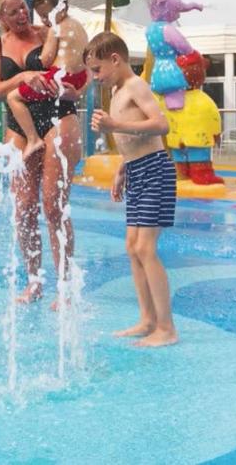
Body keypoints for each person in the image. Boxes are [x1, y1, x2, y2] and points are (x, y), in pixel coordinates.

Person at [0, 0, 85, 307]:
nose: (22, 15)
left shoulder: (47, 32)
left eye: (23, 7)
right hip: (21, 122)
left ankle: (65, 286)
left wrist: (77, 87)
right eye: (13, 11)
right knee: (24, 209)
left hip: (58, 117)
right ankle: (33, 282)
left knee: (53, 205)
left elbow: (77, 65)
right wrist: (23, 77)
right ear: (0, 15)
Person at [86, 31, 178, 347]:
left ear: (115, 59)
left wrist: (116, 126)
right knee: (131, 246)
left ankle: (166, 328)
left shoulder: (136, 86)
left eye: (97, 69)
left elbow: (160, 125)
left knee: (145, 248)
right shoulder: (116, 91)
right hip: (137, 170)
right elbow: (134, 142)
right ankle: (147, 319)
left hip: (155, 170)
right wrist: (122, 169)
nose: (94, 77)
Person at [6, 0, 89, 159]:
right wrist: (80, 90)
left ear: (61, 8)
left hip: (59, 78)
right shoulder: (78, 25)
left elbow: (46, 60)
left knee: (12, 97)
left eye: (45, 15)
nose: (44, 20)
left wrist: (45, 39)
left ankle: (33, 139)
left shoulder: (55, 29)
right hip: (78, 77)